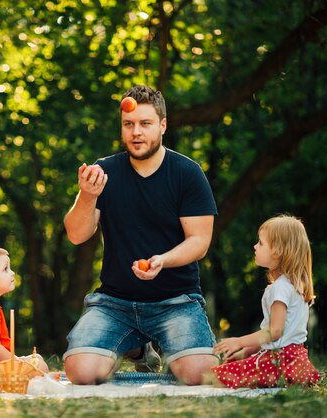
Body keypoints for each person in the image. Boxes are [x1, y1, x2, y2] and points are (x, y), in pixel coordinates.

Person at [63, 85, 218, 385]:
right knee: (80, 372)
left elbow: (200, 242)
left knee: (200, 374)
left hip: (177, 301)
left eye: (145, 124)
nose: (136, 132)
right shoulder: (103, 171)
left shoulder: (187, 173)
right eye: (128, 125)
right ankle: (137, 349)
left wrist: (163, 260)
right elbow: (76, 235)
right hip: (115, 303)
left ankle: (174, 352)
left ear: (162, 125)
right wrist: (86, 196)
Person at [210, 215, 320, 388]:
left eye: (260, 243)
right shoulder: (295, 286)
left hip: (277, 363)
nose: (255, 247)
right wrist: (248, 351)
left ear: (277, 251)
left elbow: (274, 332)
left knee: (212, 377)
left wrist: (239, 342)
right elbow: (284, 335)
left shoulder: (280, 288)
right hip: (295, 362)